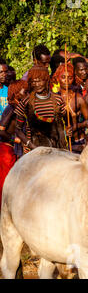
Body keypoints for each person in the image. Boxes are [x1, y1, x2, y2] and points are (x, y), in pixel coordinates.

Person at [15, 66, 67, 153]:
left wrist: (68, 131)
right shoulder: (26, 101)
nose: (37, 84)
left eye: (40, 81)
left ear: (47, 80)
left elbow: (62, 123)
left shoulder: (58, 100)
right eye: (33, 82)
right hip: (34, 150)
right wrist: (30, 145)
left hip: (57, 149)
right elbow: (17, 129)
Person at [0, 80, 29, 209]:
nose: (27, 94)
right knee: (6, 182)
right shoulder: (11, 108)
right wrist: (15, 140)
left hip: (15, 150)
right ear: (17, 93)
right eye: (25, 91)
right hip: (7, 150)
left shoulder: (22, 107)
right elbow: (1, 130)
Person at [53, 63, 88, 153]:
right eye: (63, 77)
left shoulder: (78, 98)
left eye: (70, 78)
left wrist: (75, 127)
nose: (66, 81)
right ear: (57, 78)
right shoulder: (53, 99)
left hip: (78, 143)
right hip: (59, 144)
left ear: (73, 79)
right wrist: (63, 130)